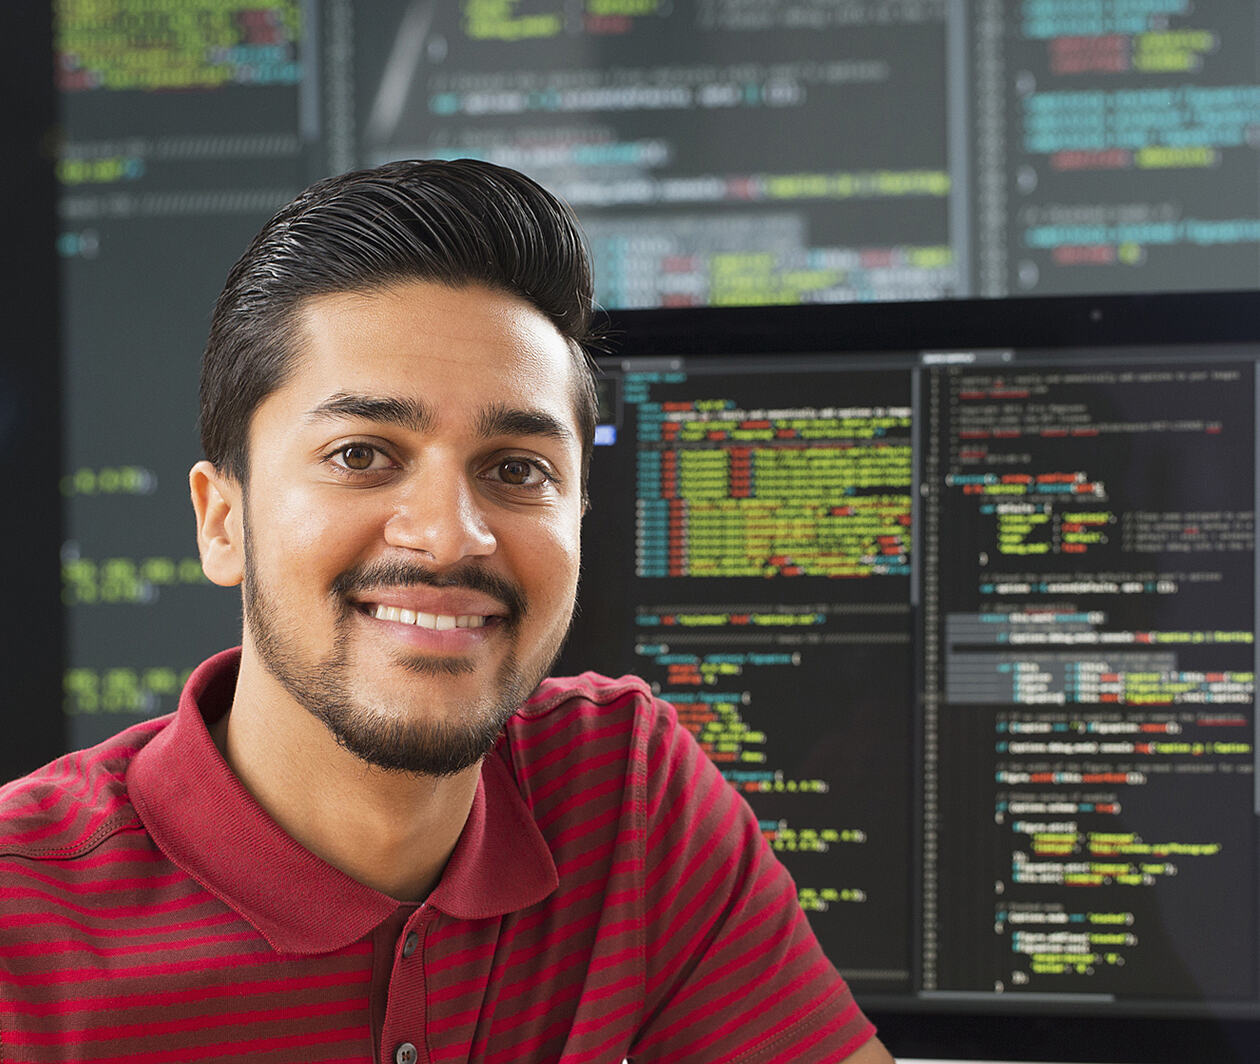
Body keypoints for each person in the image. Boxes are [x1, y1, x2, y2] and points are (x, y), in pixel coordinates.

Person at [0, 159, 894, 1063]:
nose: (450, 537)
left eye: (517, 469)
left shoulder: (626, 792)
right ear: (222, 520)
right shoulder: (20, 927)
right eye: (361, 455)